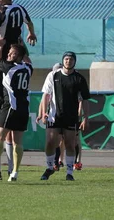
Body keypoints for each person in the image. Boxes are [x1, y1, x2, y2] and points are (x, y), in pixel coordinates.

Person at [38, 52, 90, 181]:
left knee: (70, 144)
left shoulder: (79, 78)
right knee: (50, 142)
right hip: (54, 115)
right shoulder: (53, 75)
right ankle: (50, 167)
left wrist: (86, 117)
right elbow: (46, 95)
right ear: (63, 61)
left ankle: (69, 172)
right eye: (66, 59)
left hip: (71, 116)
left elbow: (85, 99)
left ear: (75, 62)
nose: (68, 61)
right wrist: (44, 112)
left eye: (71, 59)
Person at [0, 44, 33, 182]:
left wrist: (1, 44)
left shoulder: (9, 67)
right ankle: (15, 172)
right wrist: (21, 46)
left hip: (10, 106)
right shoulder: (28, 68)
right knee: (18, 141)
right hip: (23, 108)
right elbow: (28, 60)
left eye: (12, 53)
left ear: (18, 56)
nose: (8, 55)